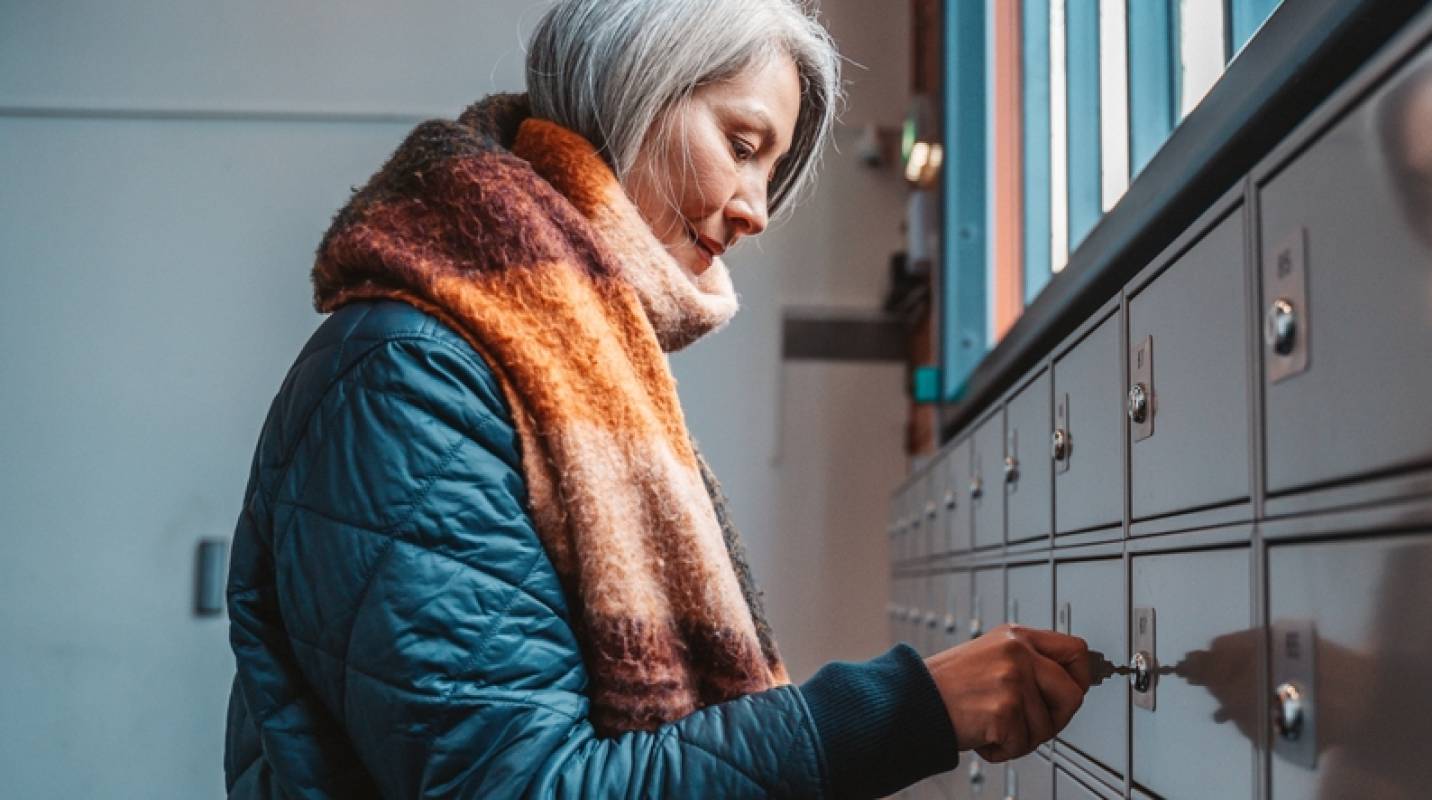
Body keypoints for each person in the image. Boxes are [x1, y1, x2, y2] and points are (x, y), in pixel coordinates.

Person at [221, 1, 1091, 797]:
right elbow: (525, 785)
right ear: (635, 95)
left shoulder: (555, 366)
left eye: (770, 170)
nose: (754, 209)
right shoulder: (410, 375)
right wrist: (906, 711)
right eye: (743, 146)